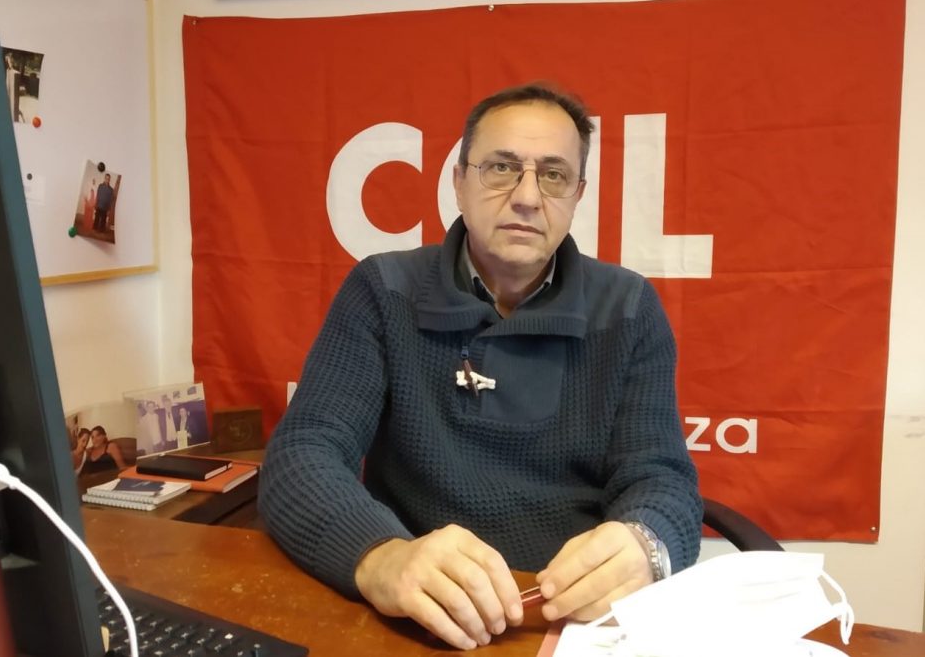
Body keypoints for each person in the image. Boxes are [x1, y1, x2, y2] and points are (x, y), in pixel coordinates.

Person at [259, 82, 702, 651]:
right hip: (416, 617)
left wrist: (647, 544)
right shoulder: (381, 290)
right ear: (459, 182)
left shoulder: (630, 308)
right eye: (501, 168)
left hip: (566, 624)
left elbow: (662, 480)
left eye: (553, 175)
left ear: (577, 195)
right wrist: (380, 557)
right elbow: (303, 453)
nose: (527, 197)